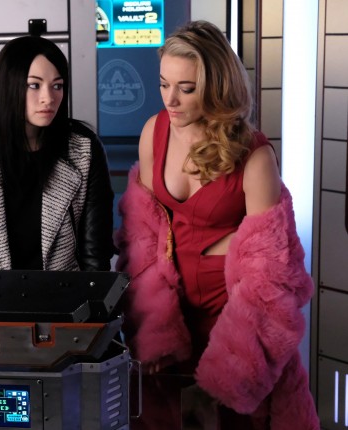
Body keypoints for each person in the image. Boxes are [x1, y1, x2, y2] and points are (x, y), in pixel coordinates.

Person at [115, 21, 319, 429]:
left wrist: (229, 374)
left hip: (234, 327)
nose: (170, 100)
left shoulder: (254, 156)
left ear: (216, 87)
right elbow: (143, 239)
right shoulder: (154, 132)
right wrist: (151, 331)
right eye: (163, 84)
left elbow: (272, 278)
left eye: (186, 88)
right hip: (170, 323)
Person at [0, 36, 114, 271]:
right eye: (34, 85)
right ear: (8, 86)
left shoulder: (83, 148)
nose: (48, 98)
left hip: (65, 291)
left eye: (57, 86)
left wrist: (92, 295)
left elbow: (95, 253)